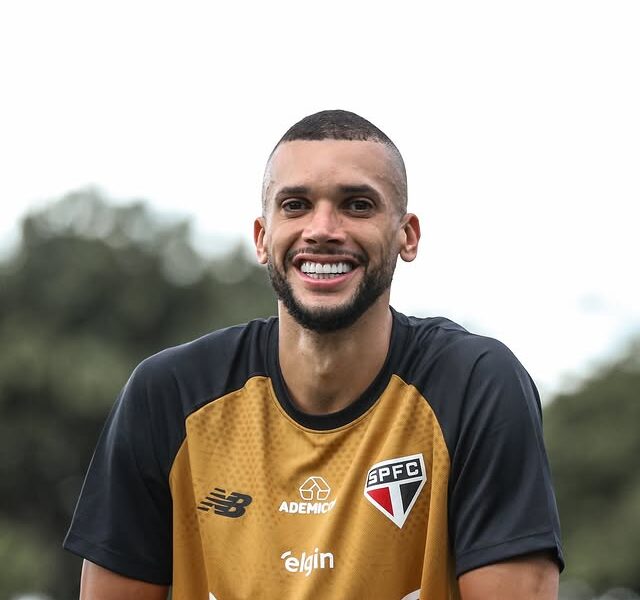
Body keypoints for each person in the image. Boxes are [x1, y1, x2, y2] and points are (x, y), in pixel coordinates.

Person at [64, 110, 564, 599]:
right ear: (262, 238)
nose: (322, 229)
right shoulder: (170, 395)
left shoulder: (475, 386)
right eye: (296, 205)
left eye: (358, 205)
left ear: (407, 235)